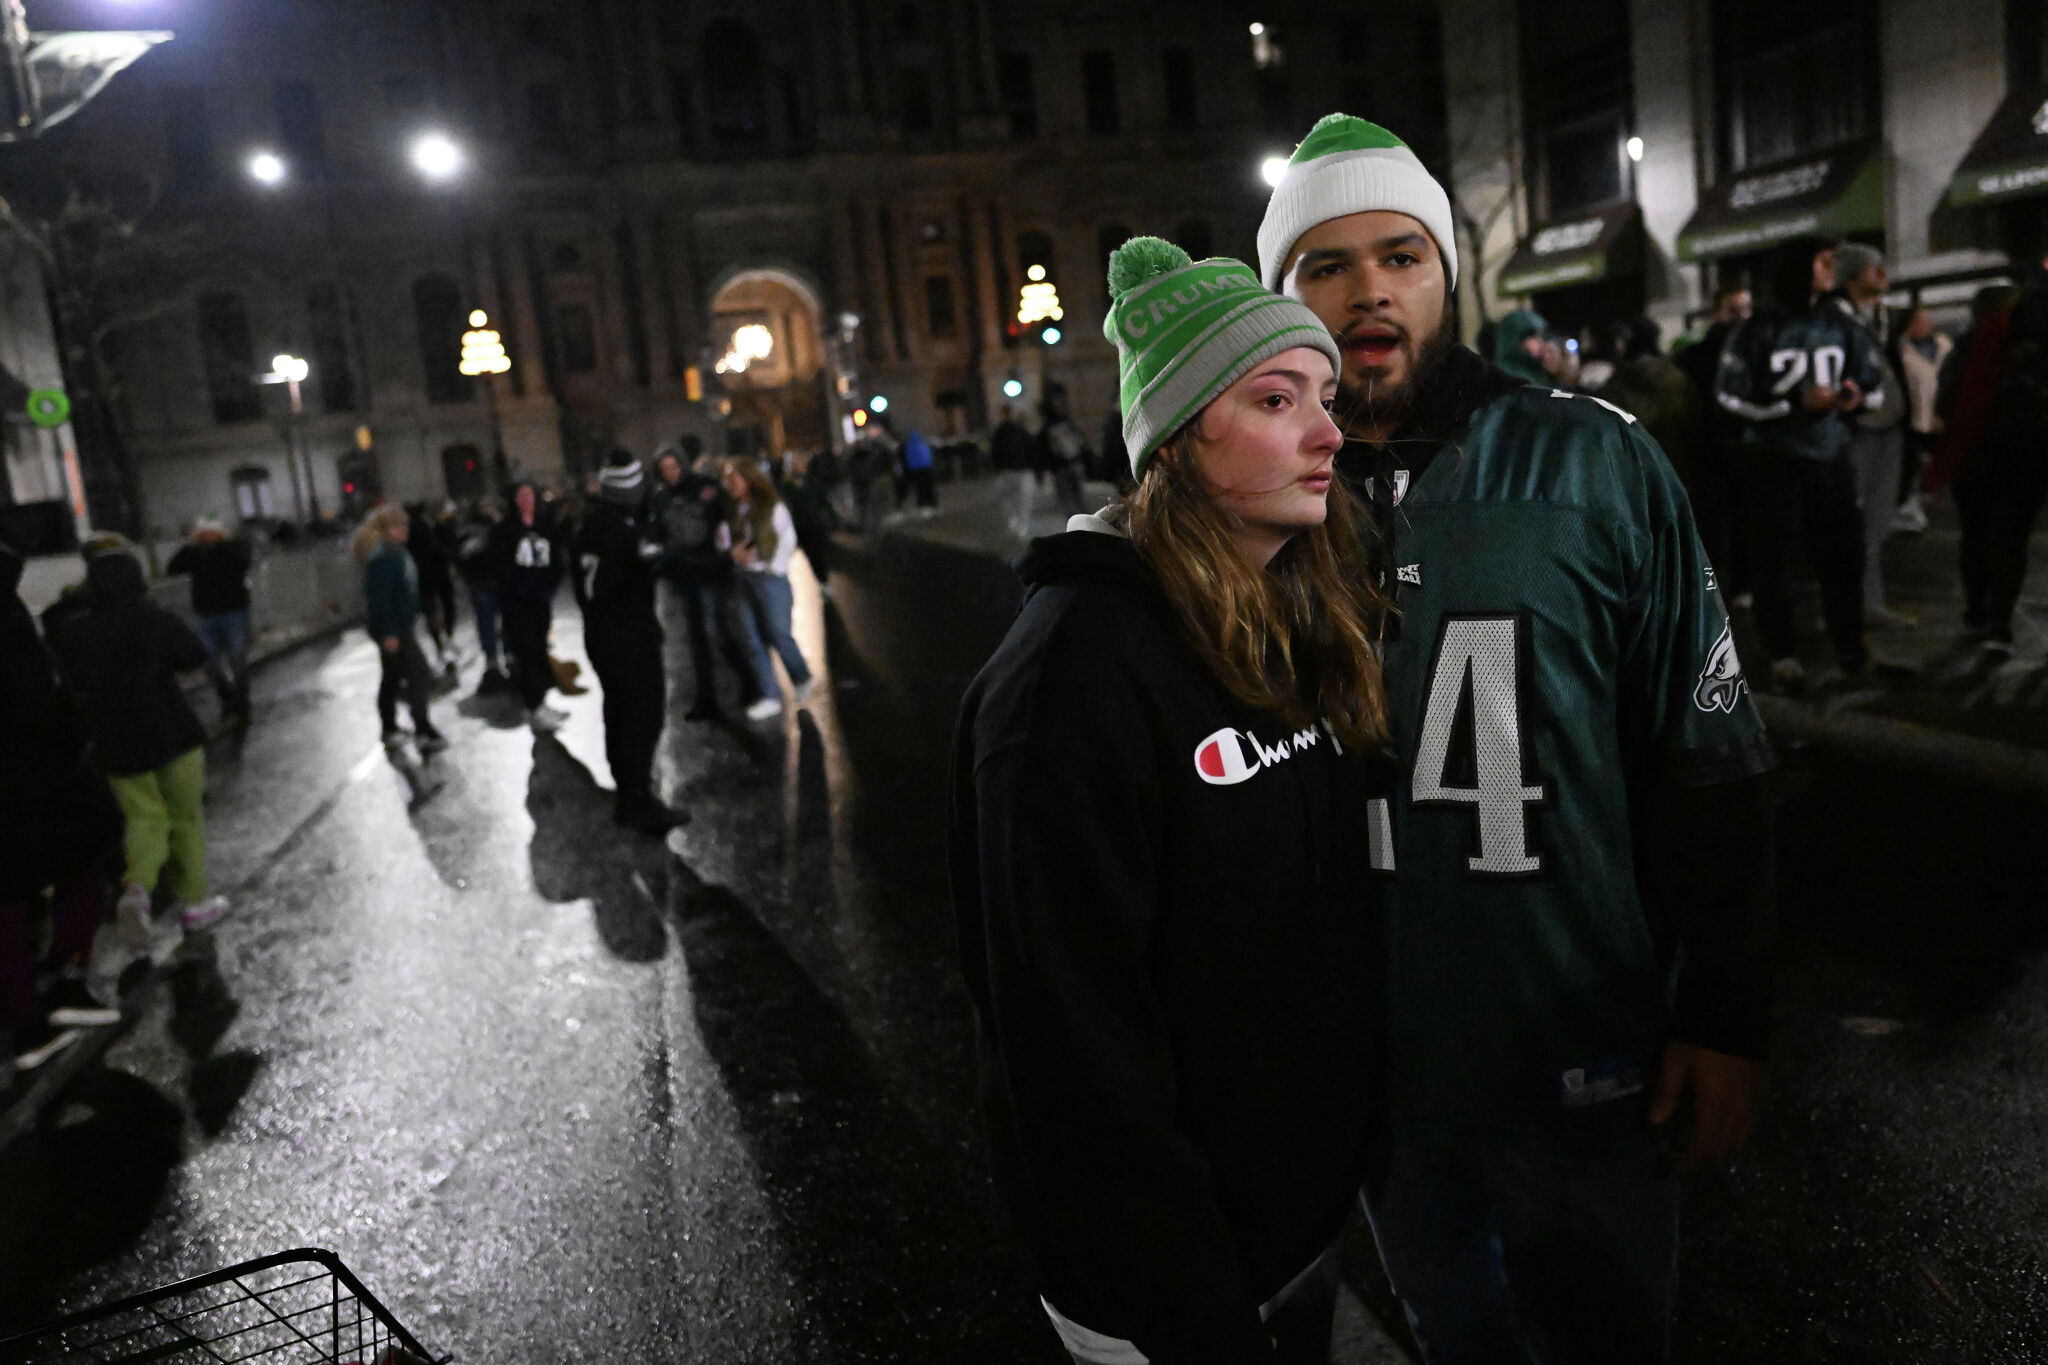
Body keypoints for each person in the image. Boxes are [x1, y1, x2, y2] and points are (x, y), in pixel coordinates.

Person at [1263, 113, 1777, 1363]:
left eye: (1399, 254)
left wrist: (1724, 1011)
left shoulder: (1592, 460)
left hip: (1581, 1062)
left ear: (1450, 274)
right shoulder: (1252, 501)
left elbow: (1708, 758)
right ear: (1281, 299)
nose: (1367, 289)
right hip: (1377, 1086)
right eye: (1322, 267)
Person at [951, 236, 1388, 1364]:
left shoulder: (1278, 618)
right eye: (1276, 398)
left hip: (1290, 1232)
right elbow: (1071, 1056)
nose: (1328, 431)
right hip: (1164, 1297)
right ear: (1183, 434)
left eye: (1325, 397)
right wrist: (1187, 1310)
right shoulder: (1063, 687)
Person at [52, 535, 234, 954]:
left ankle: (137, 891)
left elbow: (72, 680)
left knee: (143, 820)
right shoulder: (156, 618)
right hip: (172, 732)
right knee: (186, 818)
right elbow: (194, 655)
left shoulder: (75, 631)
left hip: (116, 742)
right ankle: (195, 903)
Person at [1716, 238, 1884, 692]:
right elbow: (1729, 396)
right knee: (1776, 561)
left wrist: (1854, 396)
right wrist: (1792, 404)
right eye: (1823, 260)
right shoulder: (1756, 330)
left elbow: (1876, 386)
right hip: (1775, 462)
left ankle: (1851, 649)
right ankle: (1783, 654)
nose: (1832, 268)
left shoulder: (1840, 324)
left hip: (1830, 456)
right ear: (1797, 267)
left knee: (1843, 557)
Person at [2, 542, 124, 1072]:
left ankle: (25, 1019)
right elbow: (30, 695)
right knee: (90, 845)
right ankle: (66, 979)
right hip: (27, 770)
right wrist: (73, 730)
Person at [1931, 245, 2048, 650]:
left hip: (1971, 456)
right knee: (2009, 541)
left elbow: (1945, 402)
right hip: (2021, 458)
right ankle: (1998, 621)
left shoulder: (1965, 348)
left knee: (1975, 536)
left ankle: (1977, 612)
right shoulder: (2031, 352)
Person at [572, 452, 687, 834]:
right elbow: (641, 565)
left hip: (602, 637)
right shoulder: (623, 531)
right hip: (627, 638)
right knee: (642, 716)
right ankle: (638, 798)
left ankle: (628, 793)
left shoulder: (591, 525)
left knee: (619, 714)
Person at [1831, 242, 1913, 625]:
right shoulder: (1834, 319)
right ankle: (1854, 604)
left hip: (1889, 425)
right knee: (1852, 519)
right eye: (1873, 268)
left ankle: (1868, 601)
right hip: (1858, 428)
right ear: (1851, 276)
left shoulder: (1883, 317)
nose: (1882, 273)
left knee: (1879, 518)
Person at [653, 443, 757, 720]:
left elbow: (727, 519)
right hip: (686, 575)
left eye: (673, 467)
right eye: (664, 470)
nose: (670, 474)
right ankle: (706, 699)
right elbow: (661, 532)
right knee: (696, 639)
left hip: (713, 571)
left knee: (720, 632)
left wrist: (729, 550)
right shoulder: (661, 497)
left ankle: (751, 683)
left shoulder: (706, 488)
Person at [1675, 281, 1756, 603]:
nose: (1740, 316)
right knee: (1722, 519)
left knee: (1735, 519)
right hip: (1712, 448)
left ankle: (1732, 584)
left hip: (1731, 447)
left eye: (1744, 309)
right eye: (1733, 309)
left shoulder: (1752, 350)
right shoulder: (1699, 356)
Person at [720, 458, 814, 721]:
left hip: (770, 580)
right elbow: (728, 539)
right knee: (752, 637)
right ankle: (770, 695)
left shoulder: (771, 507)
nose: (730, 485)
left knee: (778, 633)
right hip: (744, 579)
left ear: (749, 478)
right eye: (728, 480)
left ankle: (801, 676)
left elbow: (787, 540)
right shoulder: (734, 509)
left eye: (734, 479)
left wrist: (770, 565)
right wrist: (730, 551)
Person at [354, 505, 450, 754]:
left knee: (393, 677)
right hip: (394, 628)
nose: (404, 529)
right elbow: (380, 599)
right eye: (398, 526)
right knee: (418, 675)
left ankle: (389, 728)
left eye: (405, 524)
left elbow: (407, 590)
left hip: (400, 625)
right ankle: (422, 729)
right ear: (386, 530)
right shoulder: (383, 558)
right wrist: (389, 633)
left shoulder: (396, 552)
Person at [490, 481, 569, 731]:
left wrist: (546, 589)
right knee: (525, 653)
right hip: (517, 604)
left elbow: (557, 560)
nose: (526, 500)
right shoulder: (505, 530)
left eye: (530, 495)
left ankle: (541, 702)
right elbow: (500, 567)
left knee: (539, 650)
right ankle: (533, 706)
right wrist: (518, 591)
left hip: (540, 603)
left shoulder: (546, 528)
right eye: (521, 496)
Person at [165, 515, 255, 724]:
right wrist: (191, 547)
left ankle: (240, 700)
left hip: (233, 612)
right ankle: (227, 695)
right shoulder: (195, 554)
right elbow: (172, 568)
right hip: (207, 614)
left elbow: (243, 560)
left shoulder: (233, 549)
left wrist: (215, 547)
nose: (205, 538)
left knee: (237, 658)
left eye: (209, 533)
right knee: (208, 659)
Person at [1893, 307, 1951, 534]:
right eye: (1919, 321)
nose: (1925, 324)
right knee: (1911, 465)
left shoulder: (1945, 346)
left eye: (1927, 320)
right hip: (1915, 418)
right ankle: (1909, 508)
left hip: (1940, 417)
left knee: (1941, 462)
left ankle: (1933, 500)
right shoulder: (1900, 350)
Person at [456, 496, 508, 685]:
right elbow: (465, 556)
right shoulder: (473, 530)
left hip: (497, 582)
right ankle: (492, 662)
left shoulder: (499, 525)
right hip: (482, 583)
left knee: (505, 623)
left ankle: (508, 657)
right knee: (487, 624)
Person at [407, 501, 458, 669]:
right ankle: (445, 643)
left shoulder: (411, 533)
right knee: (439, 611)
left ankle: (442, 644)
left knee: (433, 614)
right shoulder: (428, 530)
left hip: (425, 580)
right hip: (435, 576)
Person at [780, 449, 839, 593]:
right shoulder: (787, 484)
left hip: (814, 523)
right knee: (808, 554)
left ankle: (823, 580)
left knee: (819, 553)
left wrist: (833, 518)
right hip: (800, 525)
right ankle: (819, 581)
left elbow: (823, 501)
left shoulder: (812, 480)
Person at [991, 404, 1038, 539]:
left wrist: (998, 468)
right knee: (1024, 500)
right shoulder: (1021, 429)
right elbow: (1031, 447)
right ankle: (1023, 527)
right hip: (1023, 470)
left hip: (1007, 470)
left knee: (1009, 498)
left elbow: (995, 452)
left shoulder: (999, 431)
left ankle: (1013, 521)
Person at [1491, 307, 1556, 387]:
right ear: (1513, 341)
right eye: (1533, 337)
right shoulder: (1508, 376)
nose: (1541, 342)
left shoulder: (1539, 371)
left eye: (1541, 336)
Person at [901, 424, 938, 513]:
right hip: (926, 468)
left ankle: (923, 504)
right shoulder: (922, 444)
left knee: (920, 488)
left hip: (916, 470)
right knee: (927, 487)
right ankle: (932, 504)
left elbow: (909, 458)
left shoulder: (910, 445)